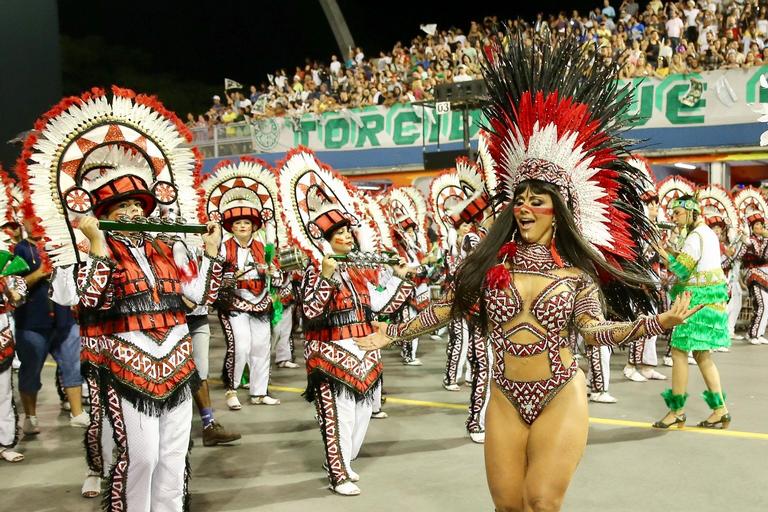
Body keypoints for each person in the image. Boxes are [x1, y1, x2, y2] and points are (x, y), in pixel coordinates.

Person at [355, 34, 700, 511]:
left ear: (557, 211)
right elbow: (446, 308)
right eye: (519, 200)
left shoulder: (576, 276)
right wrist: (390, 332)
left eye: (537, 201)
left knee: (541, 502)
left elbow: (595, 333)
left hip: (560, 391)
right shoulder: (491, 266)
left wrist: (655, 325)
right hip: (505, 394)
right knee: (508, 506)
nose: (524, 208)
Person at [20, 86, 225, 511]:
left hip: (177, 361)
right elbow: (90, 299)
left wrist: (208, 252)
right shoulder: (88, 253)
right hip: (123, 366)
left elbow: (199, 294)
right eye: (121, 206)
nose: (133, 212)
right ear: (104, 214)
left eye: (138, 204)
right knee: (141, 456)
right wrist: (95, 243)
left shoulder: (167, 247)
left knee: (173, 455)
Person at [652, 195, 731, 429]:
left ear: (691, 212)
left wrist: (662, 253)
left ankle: (676, 410)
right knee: (702, 354)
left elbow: (682, 271)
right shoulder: (707, 233)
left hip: (695, 301)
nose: (674, 218)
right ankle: (720, 409)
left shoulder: (695, 237)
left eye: (677, 213)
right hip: (711, 301)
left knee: (678, 352)